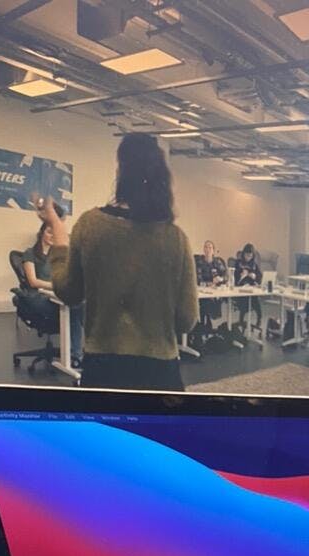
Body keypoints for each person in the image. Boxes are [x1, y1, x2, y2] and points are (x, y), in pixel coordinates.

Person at [40, 132, 199, 390]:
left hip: (104, 368)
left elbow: (69, 292)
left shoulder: (91, 225)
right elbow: (186, 320)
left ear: (120, 171)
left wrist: (57, 234)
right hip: (160, 373)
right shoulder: (176, 238)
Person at [21, 222, 84, 365]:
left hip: (56, 295)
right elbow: (33, 282)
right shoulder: (30, 253)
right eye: (49, 232)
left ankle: (79, 354)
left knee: (79, 306)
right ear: (41, 232)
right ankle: (76, 355)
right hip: (39, 297)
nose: (52, 236)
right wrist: (55, 286)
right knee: (75, 309)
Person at [196, 240, 228, 331]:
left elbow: (226, 276)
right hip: (203, 291)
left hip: (216, 292)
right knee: (205, 303)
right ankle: (204, 324)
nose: (208, 249)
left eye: (210, 247)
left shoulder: (217, 262)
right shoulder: (199, 262)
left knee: (213, 302)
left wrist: (221, 279)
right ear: (203, 249)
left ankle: (208, 323)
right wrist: (209, 283)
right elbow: (198, 279)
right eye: (206, 247)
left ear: (213, 251)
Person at [234, 243, 262, 334]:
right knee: (245, 300)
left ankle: (259, 318)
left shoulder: (254, 264)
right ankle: (241, 320)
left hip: (251, 288)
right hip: (240, 288)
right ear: (243, 254)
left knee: (255, 300)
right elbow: (234, 276)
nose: (248, 258)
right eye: (247, 255)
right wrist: (241, 275)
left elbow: (259, 277)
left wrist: (254, 276)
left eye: (250, 256)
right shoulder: (238, 263)